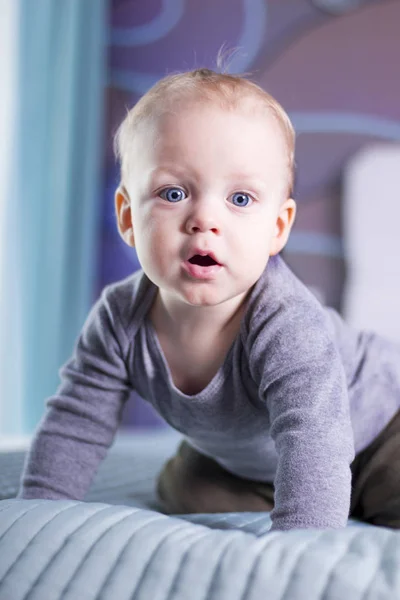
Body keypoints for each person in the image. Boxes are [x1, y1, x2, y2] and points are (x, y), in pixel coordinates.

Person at [18, 68, 400, 532]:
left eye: (239, 198)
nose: (204, 219)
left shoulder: (285, 324)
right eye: (173, 193)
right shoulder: (120, 320)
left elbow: (314, 439)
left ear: (277, 228)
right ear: (127, 217)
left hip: (379, 429)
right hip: (259, 459)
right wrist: (34, 514)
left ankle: (351, 496)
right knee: (186, 488)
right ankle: (328, 494)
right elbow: (76, 425)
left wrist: (303, 544)